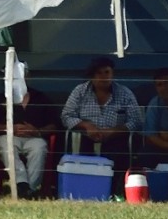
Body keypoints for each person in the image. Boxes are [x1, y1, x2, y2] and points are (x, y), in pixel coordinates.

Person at [61, 56, 143, 190]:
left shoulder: (124, 93)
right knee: (81, 149)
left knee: (120, 152)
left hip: (115, 138)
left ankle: (113, 190)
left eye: (107, 72)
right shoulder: (80, 92)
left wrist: (113, 131)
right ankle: (85, 189)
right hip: (85, 137)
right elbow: (66, 116)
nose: (104, 77)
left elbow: (136, 121)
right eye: (99, 73)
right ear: (92, 76)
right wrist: (87, 126)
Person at [0, 88, 60, 199]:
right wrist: (9, 128)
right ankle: (22, 184)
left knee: (40, 148)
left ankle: (29, 189)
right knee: (7, 146)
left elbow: (54, 125)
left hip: (34, 137)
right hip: (7, 136)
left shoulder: (40, 97)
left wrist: (37, 131)